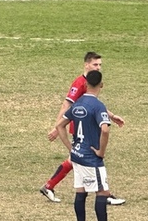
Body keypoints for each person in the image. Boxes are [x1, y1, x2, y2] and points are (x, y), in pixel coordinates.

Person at [40, 52, 125, 206]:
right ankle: (104, 194)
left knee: (75, 159)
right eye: (95, 64)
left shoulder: (92, 82)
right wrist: (57, 127)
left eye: (100, 65)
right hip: (81, 127)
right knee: (93, 157)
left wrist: (111, 116)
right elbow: (67, 105)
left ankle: (49, 186)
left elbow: (94, 105)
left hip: (88, 125)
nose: (98, 67)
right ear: (86, 65)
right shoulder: (79, 83)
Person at [55, 70, 112, 221]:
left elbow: (60, 125)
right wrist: (101, 152)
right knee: (103, 192)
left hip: (77, 155)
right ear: (101, 85)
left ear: (86, 85)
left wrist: (71, 148)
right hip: (91, 159)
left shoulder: (78, 103)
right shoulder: (98, 106)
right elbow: (105, 130)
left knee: (81, 191)